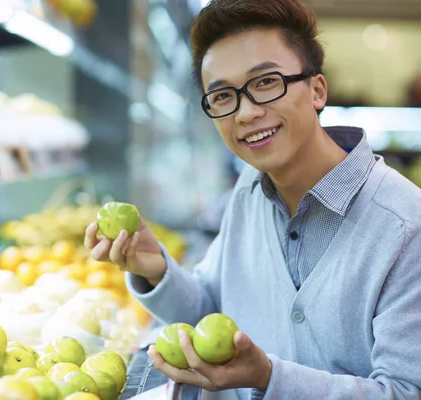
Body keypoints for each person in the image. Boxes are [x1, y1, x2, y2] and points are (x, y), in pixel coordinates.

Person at [84, 0, 421, 398]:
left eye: (265, 82)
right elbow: (209, 311)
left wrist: (267, 377)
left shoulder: (405, 225)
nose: (245, 112)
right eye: (223, 95)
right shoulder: (248, 190)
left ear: (317, 90)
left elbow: (404, 391)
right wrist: (155, 268)